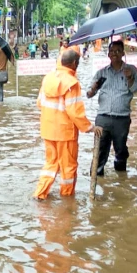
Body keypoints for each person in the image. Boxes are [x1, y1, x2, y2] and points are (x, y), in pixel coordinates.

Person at [33, 50, 102, 200]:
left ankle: (40, 194)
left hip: (48, 130)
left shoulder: (48, 78)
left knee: (50, 164)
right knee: (68, 167)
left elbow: (40, 103)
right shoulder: (72, 83)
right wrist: (90, 127)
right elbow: (74, 111)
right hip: (65, 133)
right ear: (74, 64)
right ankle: (67, 199)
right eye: (77, 63)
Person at [87, 40, 137, 176]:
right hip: (103, 118)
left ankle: (121, 175)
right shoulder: (101, 73)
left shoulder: (132, 70)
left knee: (121, 149)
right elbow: (89, 94)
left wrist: (129, 79)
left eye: (117, 51)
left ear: (123, 53)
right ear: (108, 54)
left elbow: (135, 89)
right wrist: (93, 89)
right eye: (112, 51)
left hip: (122, 119)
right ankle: (96, 178)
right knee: (100, 150)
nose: (114, 54)